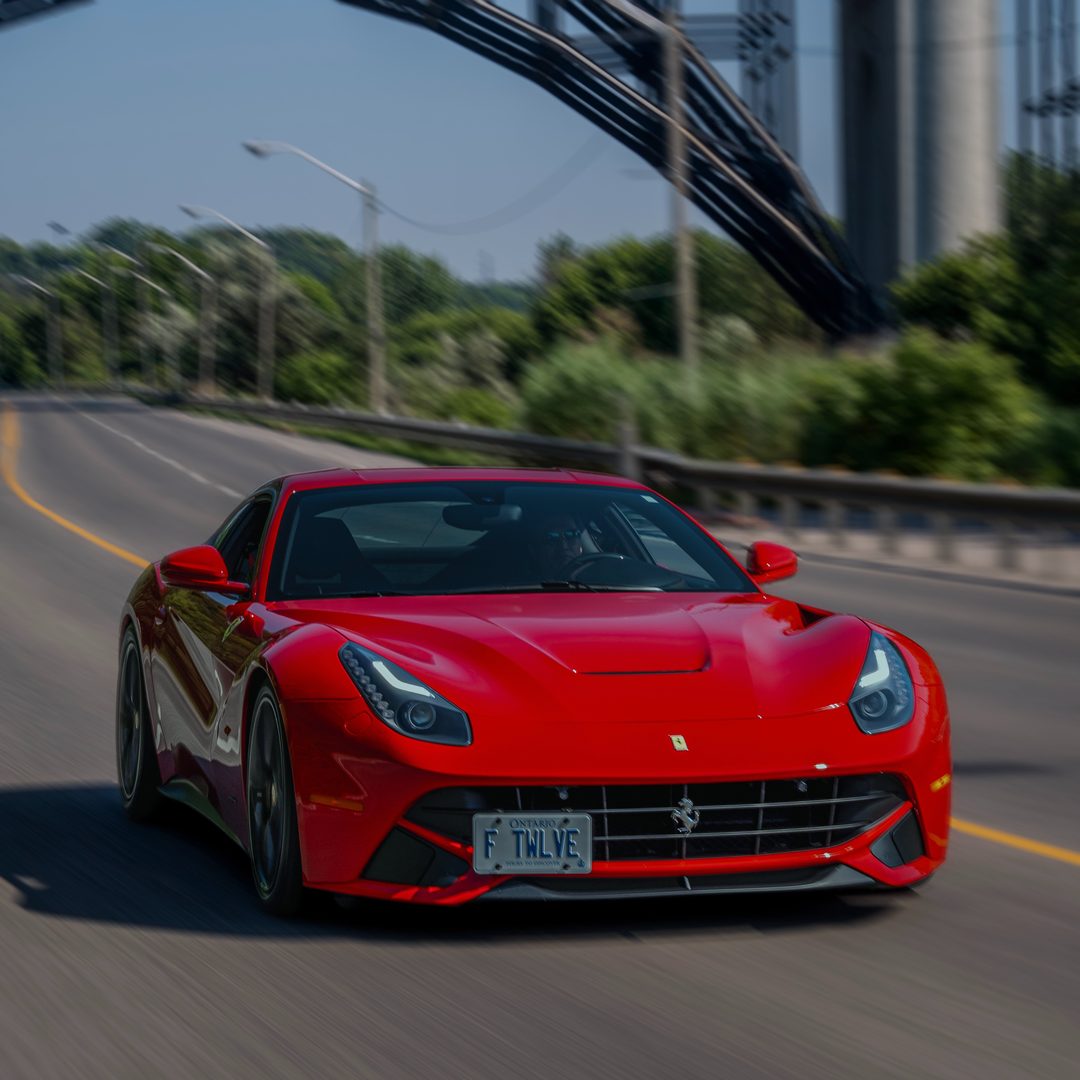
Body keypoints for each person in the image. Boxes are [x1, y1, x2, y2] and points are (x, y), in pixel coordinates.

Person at [529, 513, 586, 579]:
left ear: (581, 543)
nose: (564, 546)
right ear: (534, 551)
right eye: (552, 538)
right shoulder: (523, 586)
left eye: (571, 535)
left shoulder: (596, 582)